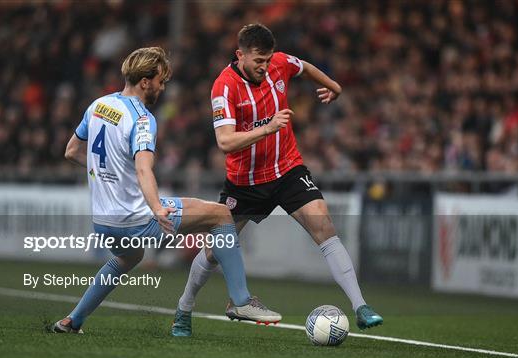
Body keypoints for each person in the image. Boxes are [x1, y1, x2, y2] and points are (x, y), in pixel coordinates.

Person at [171, 24, 382, 337]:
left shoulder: (279, 63)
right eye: (258, 60)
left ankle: (360, 306)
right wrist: (268, 128)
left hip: (287, 169)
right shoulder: (224, 87)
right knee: (215, 250)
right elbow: (225, 142)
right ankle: (184, 309)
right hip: (245, 182)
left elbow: (305, 66)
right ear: (239, 54)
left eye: (268, 60)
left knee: (323, 224)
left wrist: (334, 86)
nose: (265, 66)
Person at [52, 46, 280, 334]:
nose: (162, 86)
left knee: (128, 257)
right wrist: (157, 208)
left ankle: (73, 320)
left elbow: (72, 151)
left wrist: (106, 174)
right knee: (222, 214)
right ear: (145, 81)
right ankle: (241, 301)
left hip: (103, 221)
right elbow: (144, 169)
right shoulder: (143, 119)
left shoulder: (97, 105)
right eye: (160, 80)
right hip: (135, 217)